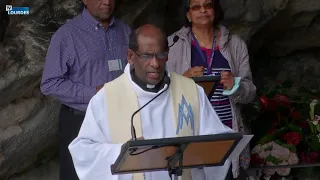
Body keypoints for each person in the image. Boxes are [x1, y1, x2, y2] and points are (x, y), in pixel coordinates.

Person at [68, 24, 236, 180]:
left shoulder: (191, 91)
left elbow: (216, 142)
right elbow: (84, 151)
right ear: (130, 56)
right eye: (147, 56)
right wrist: (125, 152)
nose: (155, 63)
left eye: (161, 55)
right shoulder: (106, 98)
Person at [40, 0, 131, 179]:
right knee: (78, 176)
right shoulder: (67, 35)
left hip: (120, 120)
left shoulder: (124, 30)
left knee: (118, 174)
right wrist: (93, 93)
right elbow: (49, 83)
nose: (107, 2)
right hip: (80, 122)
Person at [167, 0, 256, 179]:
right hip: (191, 135)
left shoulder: (235, 44)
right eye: (196, 7)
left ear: (215, 10)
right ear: (188, 14)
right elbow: (159, 94)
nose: (203, 11)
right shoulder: (173, 43)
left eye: (208, 5)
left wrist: (235, 86)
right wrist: (182, 80)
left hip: (226, 134)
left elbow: (250, 92)